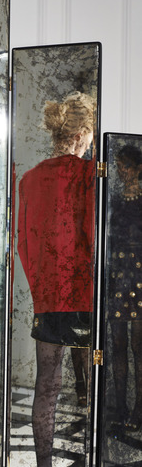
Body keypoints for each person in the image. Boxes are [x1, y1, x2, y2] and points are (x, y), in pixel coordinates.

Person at [17, 91, 96, 467]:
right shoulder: (89, 175)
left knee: (47, 387)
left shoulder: (30, 179)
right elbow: (92, 237)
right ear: (83, 133)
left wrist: (41, 291)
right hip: (84, 296)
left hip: (48, 298)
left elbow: (23, 244)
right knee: (91, 390)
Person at [108, 144, 142, 431]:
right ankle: (120, 408)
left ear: (139, 169)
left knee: (138, 346)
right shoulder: (115, 199)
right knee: (117, 345)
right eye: (119, 166)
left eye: (126, 166)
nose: (122, 171)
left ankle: (139, 410)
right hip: (118, 275)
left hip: (140, 276)